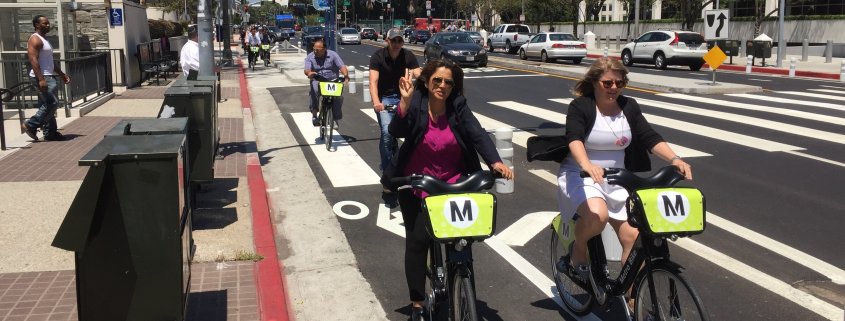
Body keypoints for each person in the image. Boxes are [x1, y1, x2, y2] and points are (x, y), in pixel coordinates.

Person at [385, 58, 514, 321]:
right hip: (417, 181)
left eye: (448, 82)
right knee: (418, 242)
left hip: (454, 179)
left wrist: (495, 161)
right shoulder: (417, 101)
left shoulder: (457, 104)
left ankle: (460, 275)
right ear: (427, 81)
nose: (443, 86)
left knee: (462, 239)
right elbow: (396, 130)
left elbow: (476, 132)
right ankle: (418, 304)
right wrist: (405, 102)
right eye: (437, 81)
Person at [555, 57, 692, 290]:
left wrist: (675, 158)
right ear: (595, 82)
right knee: (597, 216)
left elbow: (649, 136)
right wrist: (587, 164)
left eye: (619, 83)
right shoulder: (581, 106)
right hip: (581, 174)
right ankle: (577, 251)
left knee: (635, 238)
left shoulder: (629, 106)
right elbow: (574, 138)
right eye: (608, 83)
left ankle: (631, 298)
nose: (614, 88)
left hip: (617, 177)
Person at [369, 28, 422, 186]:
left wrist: (431, 77)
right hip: (384, 99)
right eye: (394, 41)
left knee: (415, 132)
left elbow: (418, 73)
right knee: (386, 133)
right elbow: (373, 82)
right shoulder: (378, 57)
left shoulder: (408, 55)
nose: (397, 44)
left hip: (404, 98)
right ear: (387, 41)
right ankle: (388, 175)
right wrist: (377, 102)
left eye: (400, 40)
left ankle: (411, 165)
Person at [22, 15, 70, 142]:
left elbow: (50, 61)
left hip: (48, 75)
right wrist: (41, 79)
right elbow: (33, 60)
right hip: (42, 77)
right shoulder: (35, 40)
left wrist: (62, 74)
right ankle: (30, 125)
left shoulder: (44, 39)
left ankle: (50, 133)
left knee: (47, 104)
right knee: (52, 103)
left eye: (48, 23)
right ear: (37, 25)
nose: (48, 25)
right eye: (44, 23)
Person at [304, 39, 348, 127]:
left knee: (338, 97)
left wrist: (346, 76)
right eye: (314, 49)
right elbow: (307, 69)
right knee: (314, 90)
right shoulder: (310, 56)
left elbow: (342, 66)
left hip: (332, 80)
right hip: (318, 79)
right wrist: (309, 73)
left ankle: (334, 119)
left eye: (318, 50)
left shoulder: (333, 55)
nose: (315, 51)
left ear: (324, 49)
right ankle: (314, 115)